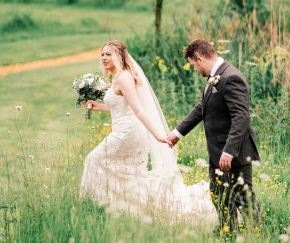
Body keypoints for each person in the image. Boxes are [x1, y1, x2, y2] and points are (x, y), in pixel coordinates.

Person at [80, 40, 218, 226]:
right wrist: (98, 107)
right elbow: (122, 107)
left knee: (93, 159)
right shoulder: (117, 77)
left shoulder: (123, 78)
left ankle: (92, 204)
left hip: (127, 133)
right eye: (102, 54)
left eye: (109, 54)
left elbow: (138, 110)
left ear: (120, 56)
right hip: (125, 129)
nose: (104, 58)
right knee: (126, 174)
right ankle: (121, 208)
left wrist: (158, 135)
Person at [167, 38, 261, 230]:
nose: (194, 69)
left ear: (200, 58)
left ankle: (259, 238)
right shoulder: (215, 76)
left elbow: (241, 117)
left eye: (193, 65)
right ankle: (229, 236)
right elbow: (203, 107)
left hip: (234, 154)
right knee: (220, 198)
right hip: (217, 152)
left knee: (244, 200)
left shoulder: (230, 77)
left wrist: (229, 151)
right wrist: (178, 132)